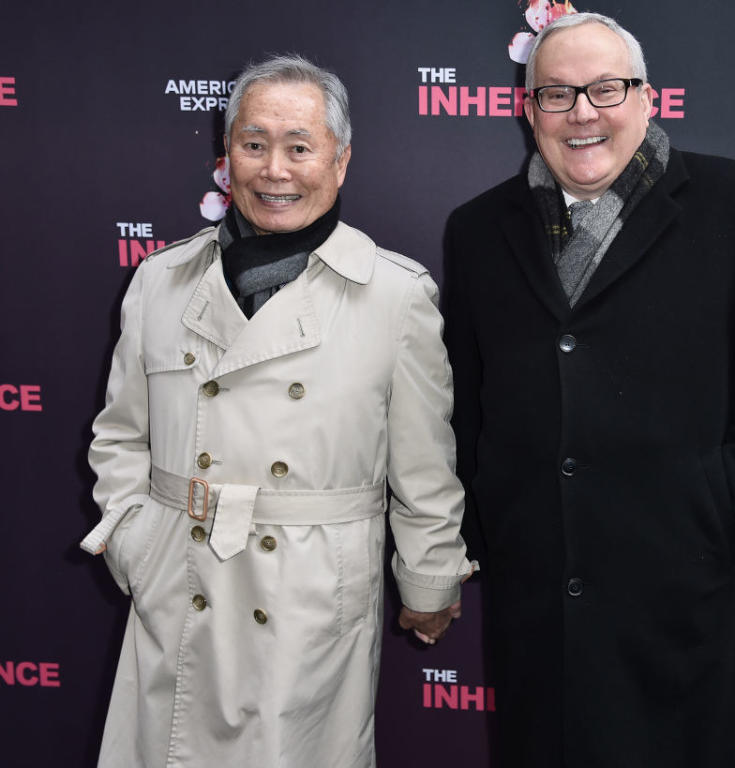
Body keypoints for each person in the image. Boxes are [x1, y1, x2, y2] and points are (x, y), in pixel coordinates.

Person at [443, 12, 735, 768]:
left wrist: (723, 512)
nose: (582, 112)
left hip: (674, 598)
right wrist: (491, 532)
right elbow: (464, 398)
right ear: (529, 112)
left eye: (606, 89)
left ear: (648, 99)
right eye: (556, 94)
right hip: (535, 602)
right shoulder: (478, 229)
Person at [81, 54, 473, 768]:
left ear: (341, 160)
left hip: (310, 597)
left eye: (300, 146)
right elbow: (119, 434)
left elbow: (422, 463)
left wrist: (429, 577)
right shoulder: (160, 281)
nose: (275, 169)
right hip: (181, 580)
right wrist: (136, 541)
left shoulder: (393, 295)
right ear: (225, 156)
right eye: (253, 144)